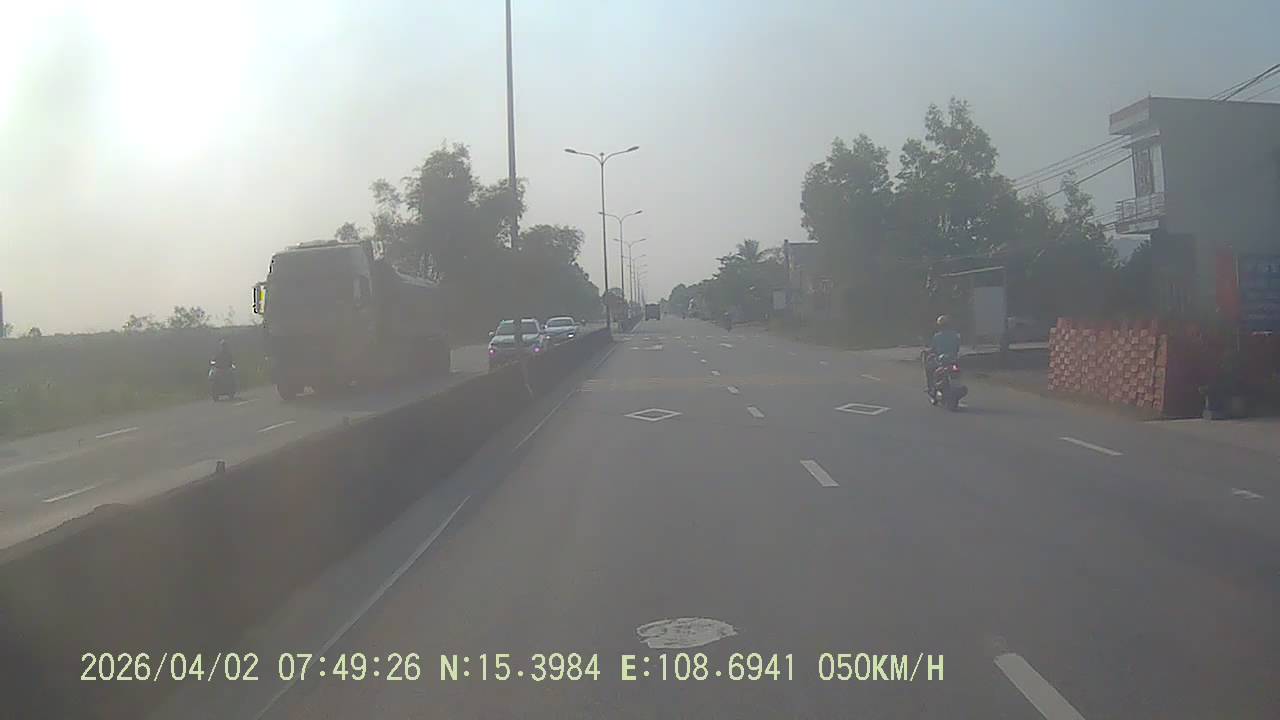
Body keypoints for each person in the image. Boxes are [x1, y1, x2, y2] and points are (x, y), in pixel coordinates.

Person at [924, 315, 961, 395]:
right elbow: (957, 348)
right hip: (953, 359)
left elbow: (933, 349)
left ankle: (930, 387)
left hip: (941, 360)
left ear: (939, 326)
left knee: (929, 368)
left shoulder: (937, 336)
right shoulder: (955, 335)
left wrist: (927, 351)